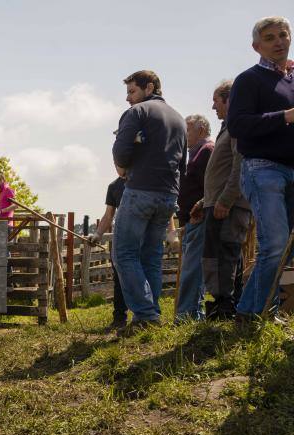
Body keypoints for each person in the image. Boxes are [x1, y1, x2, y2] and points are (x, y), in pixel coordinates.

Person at [228, 16, 294, 322]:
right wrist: (285, 116)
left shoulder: (292, 78)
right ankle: (250, 313)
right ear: (257, 46)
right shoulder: (249, 79)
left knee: (287, 246)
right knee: (276, 243)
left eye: (283, 34)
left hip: (292, 169)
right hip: (263, 168)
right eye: (270, 37)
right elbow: (238, 125)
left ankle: (263, 309)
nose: (279, 41)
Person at [111, 70, 187, 331]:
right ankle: (150, 313)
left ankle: (145, 315)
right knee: (151, 256)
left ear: (149, 87)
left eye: (132, 91)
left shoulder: (137, 113)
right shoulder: (179, 119)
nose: (128, 99)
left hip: (141, 189)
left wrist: (127, 163)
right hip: (169, 194)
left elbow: (120, 154)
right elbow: (183, 164)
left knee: (123, 253)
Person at [190, 80, 251, 320]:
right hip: (219, 203)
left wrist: (225, 200)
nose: (213, 106)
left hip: (229, 205)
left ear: (229, 100)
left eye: (216, 101)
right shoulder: (227, 127)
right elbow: (223, 171)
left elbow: (240, 164)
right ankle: (224, 303)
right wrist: (204, 200)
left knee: (225, 254)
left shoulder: (236, 127)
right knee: (219, 254)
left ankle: (226, 307)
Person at [175, 115, 214, 321]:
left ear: (200, 130)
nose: (184, 135)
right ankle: (189, 312)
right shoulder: (196, 153)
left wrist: (202, 204)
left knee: (193, 268)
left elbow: (213, 184)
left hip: (199, 217)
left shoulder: (207, 151)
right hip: (192, 218)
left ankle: (187, 314)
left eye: (187, 130)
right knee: (191, 267)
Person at [90, 176, 128, 329]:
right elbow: (108, 215)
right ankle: (119, 318)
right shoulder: (114, 186)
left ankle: (146, 317)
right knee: (119, 278)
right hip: (123, 236)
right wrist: (98, 234)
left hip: (142, 236)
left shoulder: (141, 178)